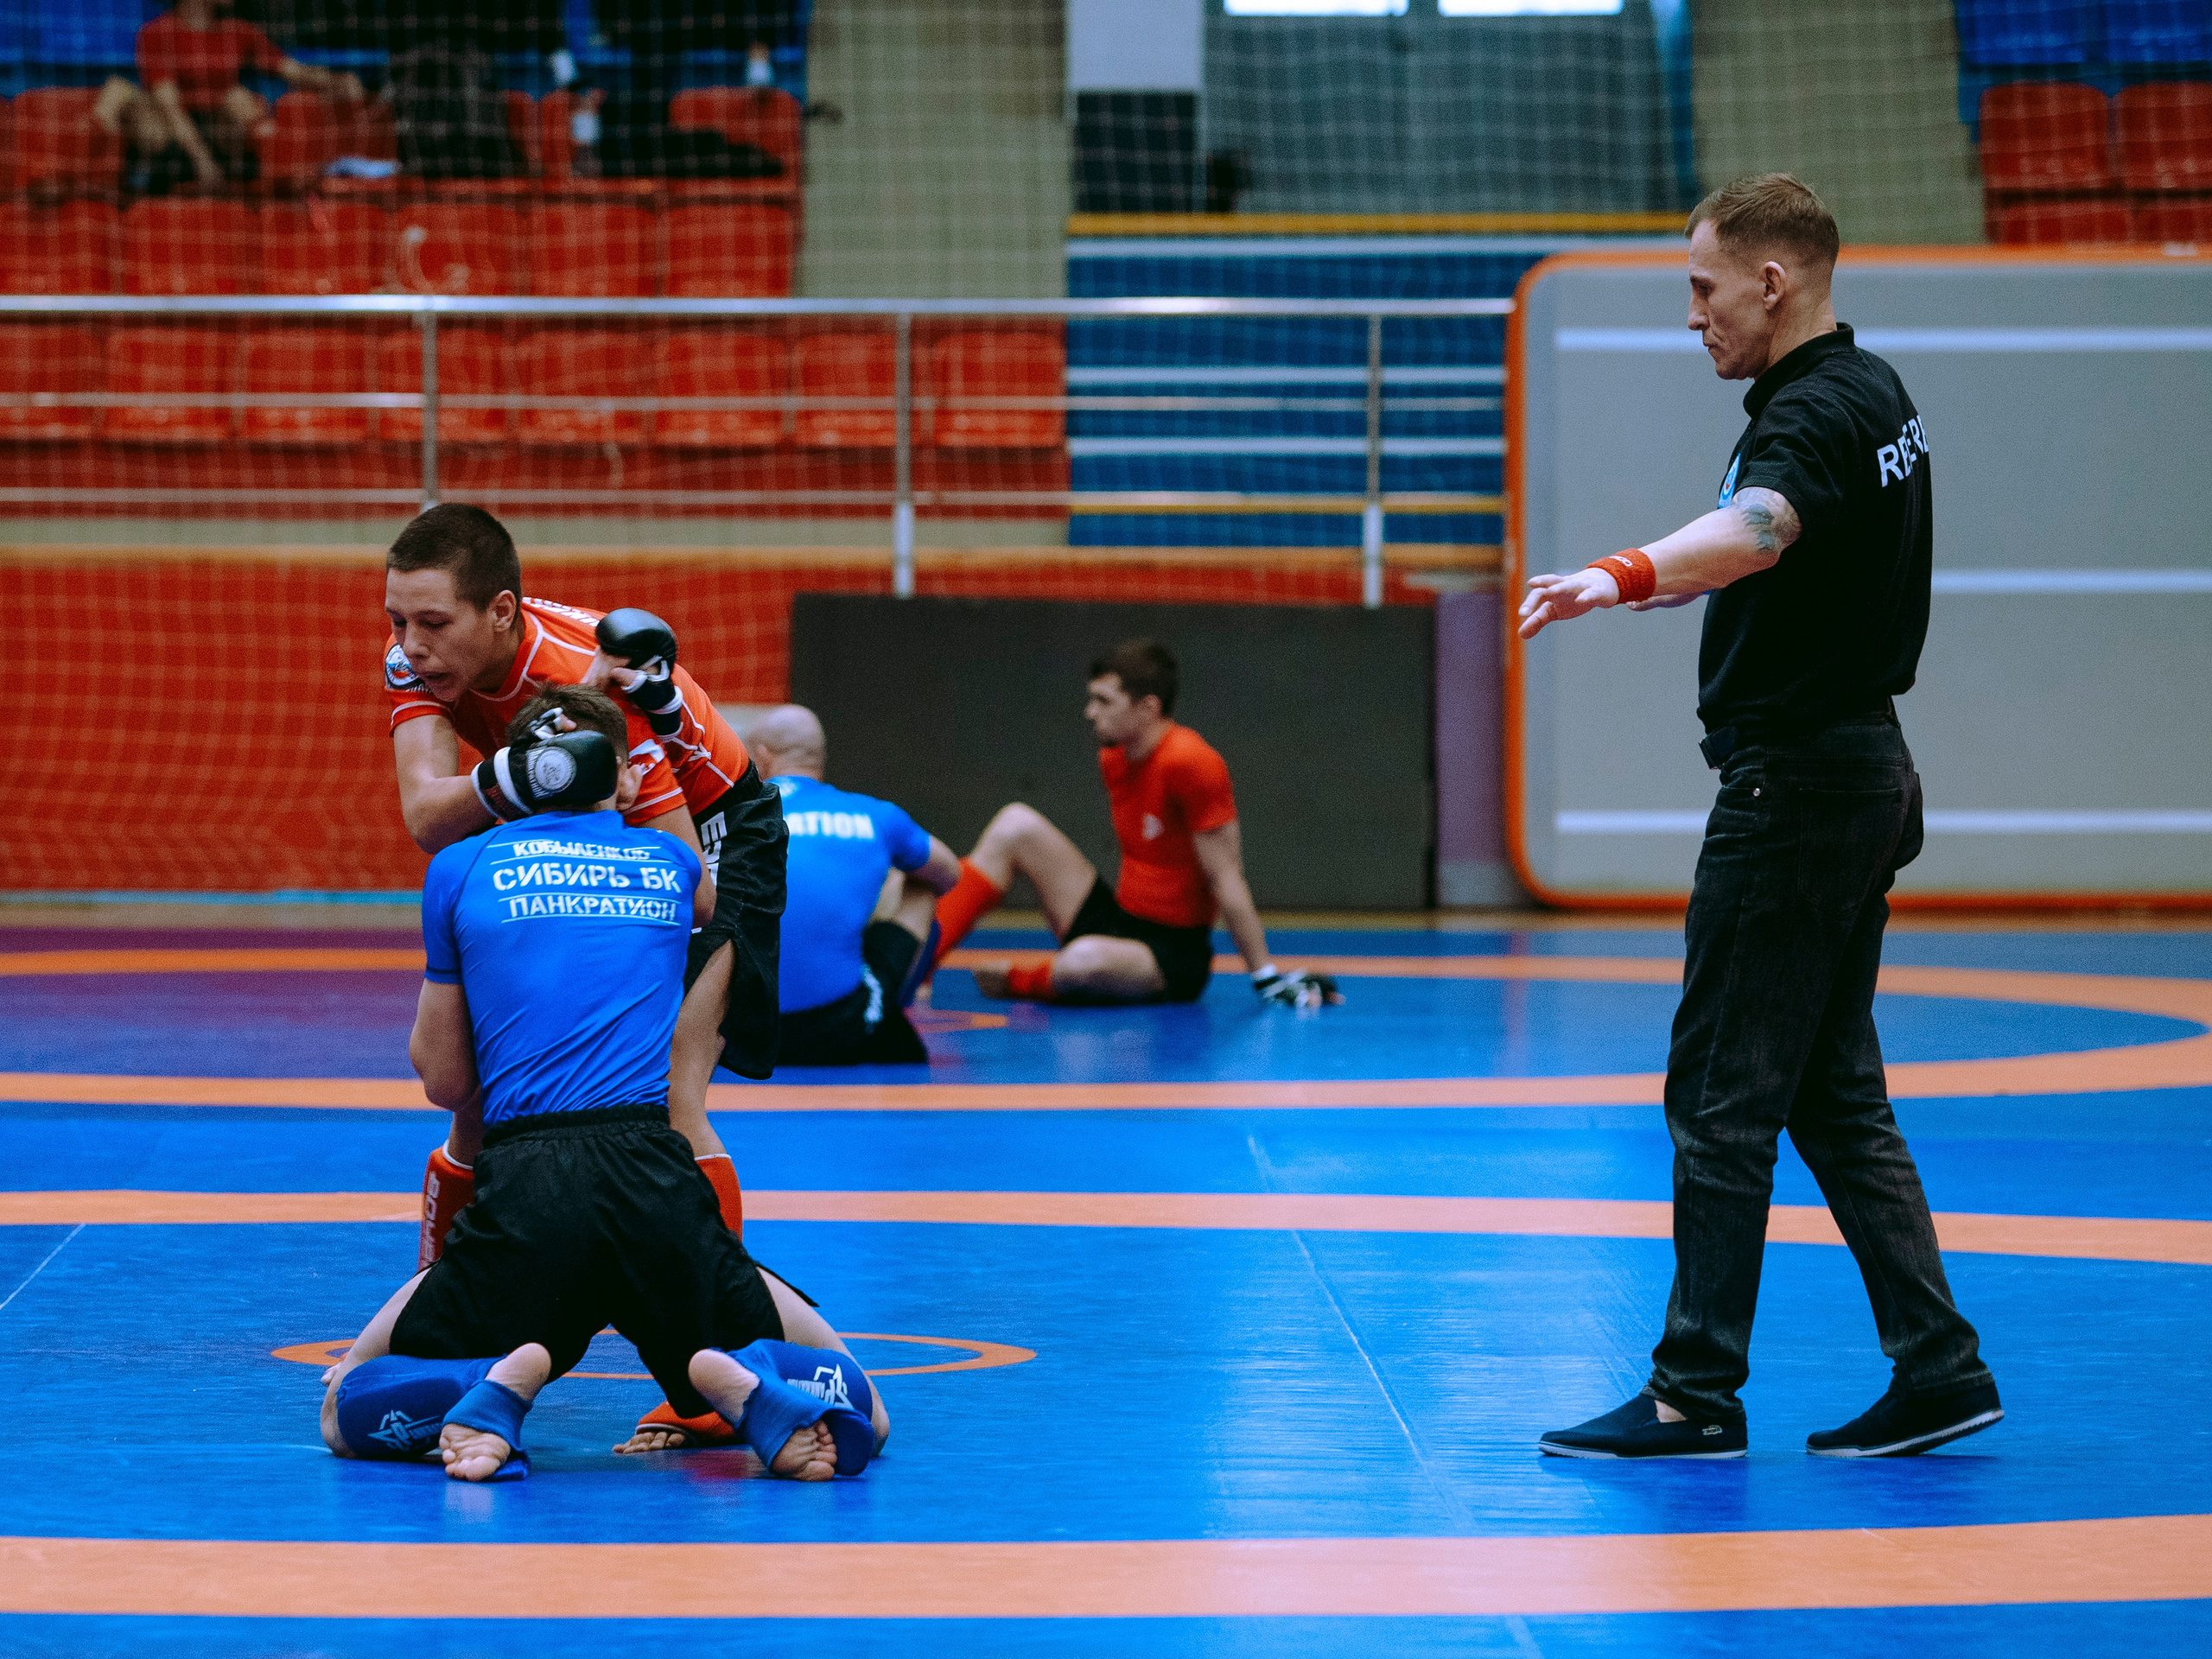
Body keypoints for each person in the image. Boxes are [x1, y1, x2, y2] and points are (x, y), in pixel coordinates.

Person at [1521, 175, 1999, 1460]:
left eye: (1703, 286)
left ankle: (1694, 1393)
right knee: (1832, 1095)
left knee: (1720, 1092)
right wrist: (1667, 580)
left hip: (1796, 789)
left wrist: (1618, 574)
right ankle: (1940, 1367)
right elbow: (1757, 544)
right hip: (1860, 772)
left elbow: (1763, 527)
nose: (1693, 315)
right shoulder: (1873, 394)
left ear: (1771, 281)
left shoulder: (1809, 411)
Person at [321, 686, 887, 1483]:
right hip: (654, 1183)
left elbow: (444, 1081)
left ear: (517, 773)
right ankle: (754, 1380)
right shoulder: (673, 864)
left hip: (528, 1194)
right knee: (869, 1411)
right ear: (623, 776)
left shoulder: (458, 869)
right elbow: (711, 880)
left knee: (346, 1406)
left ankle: (482, 1387)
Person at [383, 505, 783, 1255]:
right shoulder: (413, 657)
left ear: (501, 612)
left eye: (433, 622)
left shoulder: (584, 688)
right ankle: (442, 1289)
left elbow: (686, 880)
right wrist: (526, 771)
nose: (412, 645)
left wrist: (534, 770)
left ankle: (727, 1302)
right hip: (569, 820)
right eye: (398, 621)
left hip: (710, 828)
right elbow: (427, 816)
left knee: (668, 1089)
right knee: (475, 1093)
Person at [925, 638, 1338, 1011]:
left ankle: (1023, 980)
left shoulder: (1193, 763)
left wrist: (1266, 977)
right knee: (1014, 824)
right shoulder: (1114, 756)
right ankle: (915, 968)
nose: (1090, 713)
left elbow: (1226, 877)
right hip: (1119, 923)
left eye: (1104, 701)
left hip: (1171, 956)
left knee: (1083, 960)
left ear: (1148, 708)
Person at [746, 705, 963, 1066]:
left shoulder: (732, 817)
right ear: (818, 758)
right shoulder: (875, 815)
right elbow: (949, 872)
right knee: (920, 882)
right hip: (840, 1030)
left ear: (762, 757)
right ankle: (890, 1004)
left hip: (743, 1036)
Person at [96, 1, 365, 196]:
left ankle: (264, 178)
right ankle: (139, 179)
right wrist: (202, 160)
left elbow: (292, 69)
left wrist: (338, 81)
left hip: (220, 135)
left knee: (239, 98)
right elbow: (169, 105)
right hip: (174, 141)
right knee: (123, 94)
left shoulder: (239, 31)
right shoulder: (157, 33)